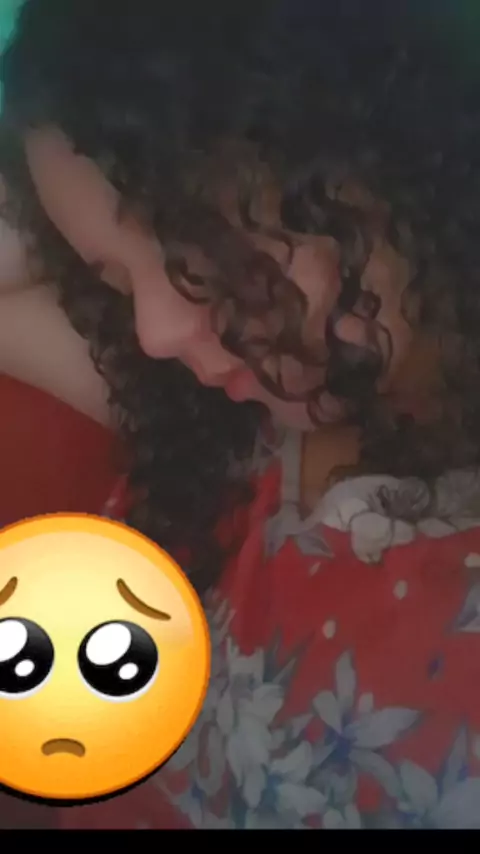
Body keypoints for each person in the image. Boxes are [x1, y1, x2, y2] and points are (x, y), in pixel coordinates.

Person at [1, 0, 480, 830]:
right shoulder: (228, 420)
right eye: (114, 279)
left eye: (190, 248)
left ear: (381, 155)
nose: (154, 333)